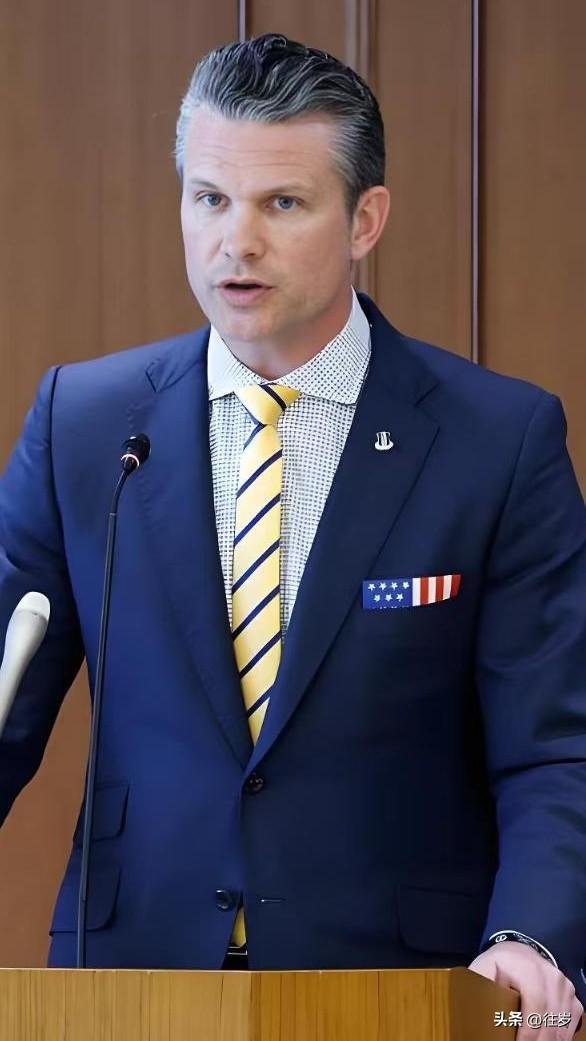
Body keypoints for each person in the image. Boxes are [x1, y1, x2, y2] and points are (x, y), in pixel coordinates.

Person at [1, 32, 585, 1039]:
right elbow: (4, 697)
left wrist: (530, 936)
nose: (236, 242)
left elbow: (555, 746)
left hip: (401, 989)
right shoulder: (86, 425)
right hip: (130, 986)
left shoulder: (496, 440)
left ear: (365, 219)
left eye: (281, 203)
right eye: (209, 198)